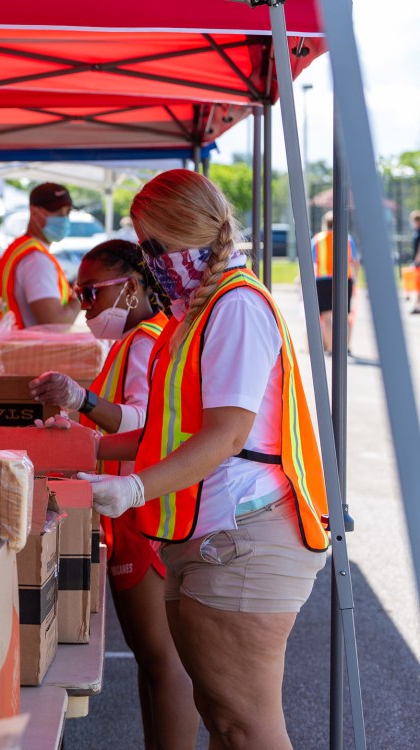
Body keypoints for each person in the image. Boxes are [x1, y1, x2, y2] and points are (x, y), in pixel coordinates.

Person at [83, 169, 328, 749]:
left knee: (246, 726)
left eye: (153, 247)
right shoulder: (198, 310)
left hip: (245, 535)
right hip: (215, 533)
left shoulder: (234, 306)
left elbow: (224, 434)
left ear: (188, 234)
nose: (149, 261)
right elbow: (168, 431)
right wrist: (83, 450)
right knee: (224, 720)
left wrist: (135, 489)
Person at [29, 240, 198, 749]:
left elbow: (144, 424)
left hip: (143, 506)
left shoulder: (148, 339)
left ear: (130, 287)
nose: (84, 306)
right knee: (152, 659)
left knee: (162, 658)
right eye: (78, 294)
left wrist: (83, 402)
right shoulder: (132, 341)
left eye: (91, 292)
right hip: (126, 504)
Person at [0, 182, 80, 328]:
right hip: (28, 348)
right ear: (34, 212)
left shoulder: (21, 247)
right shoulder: (36, 260)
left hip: (13, 345)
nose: (63, 218)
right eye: (57, 212)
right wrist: (80, 296)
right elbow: (55, 323)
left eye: (67, 212)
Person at [310, 210, 359, 352]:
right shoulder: (347, 239)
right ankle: (346, 346)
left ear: (324, 224)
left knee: (326, 316)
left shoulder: (317, 239)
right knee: (344, 315)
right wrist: (355, 277)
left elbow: (312, 262)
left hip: (323, 280)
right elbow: (355, 261)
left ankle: (332, 347)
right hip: (344, 279)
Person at [409, 210, 420, 314]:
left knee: (418, 284)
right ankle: (417, 305)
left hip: (419, 261)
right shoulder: (416, 231)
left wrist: (417, 259)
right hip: (416, 261)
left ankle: (416, 306)